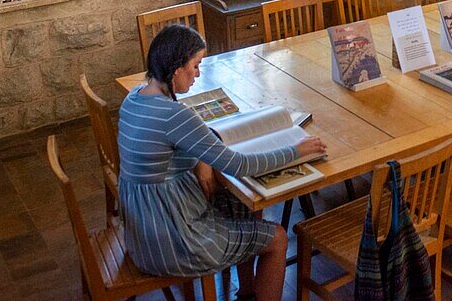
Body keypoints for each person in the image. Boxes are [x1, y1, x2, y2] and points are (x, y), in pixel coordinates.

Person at [117, 25, 326, 301]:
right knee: (277, 238)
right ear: (176, 68)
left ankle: (249, 290)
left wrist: (202, 158)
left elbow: (170, 145)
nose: (198, 74)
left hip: (141, 233)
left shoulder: (134, 97)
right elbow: (239, 165)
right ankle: (254, 288)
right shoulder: (174, 116)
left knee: (240, 205)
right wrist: (295, 151)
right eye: (195, 65)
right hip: (172, 242)